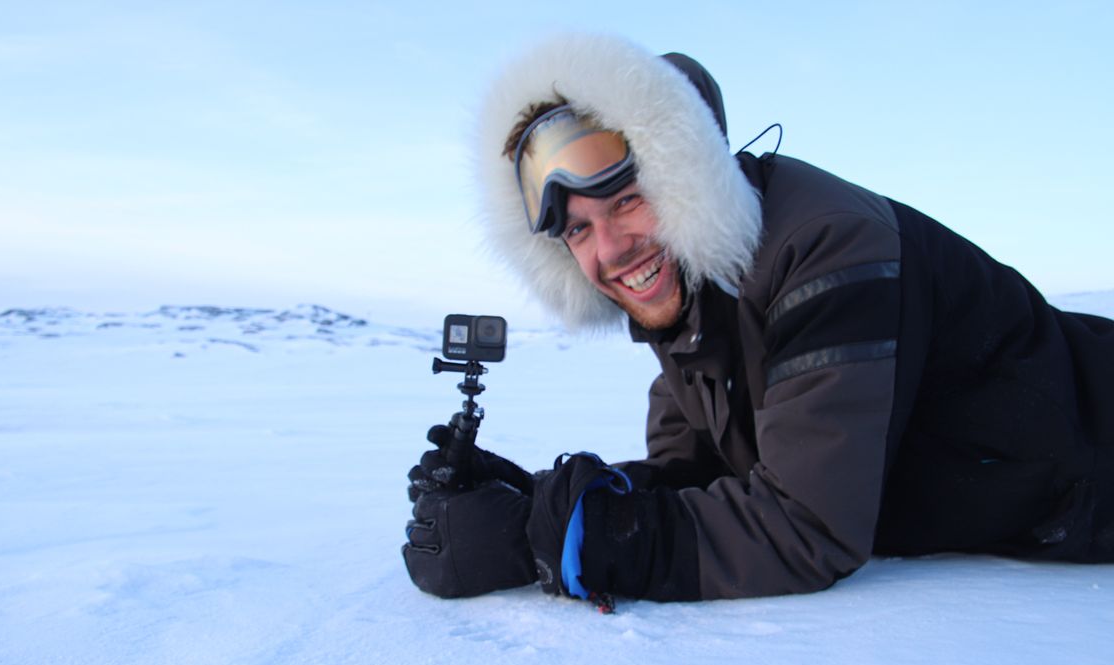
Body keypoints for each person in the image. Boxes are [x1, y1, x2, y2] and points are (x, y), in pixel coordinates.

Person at [402, 33, 1114, 607]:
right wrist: (531, 504)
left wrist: (549, 542)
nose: (610, 250)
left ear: (690, 182)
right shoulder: (688, 303)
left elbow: (809, 524)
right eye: (579, 231)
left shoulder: (826, 249)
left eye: (626, 201)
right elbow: (694, 476)